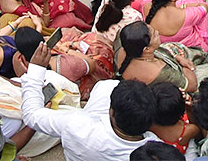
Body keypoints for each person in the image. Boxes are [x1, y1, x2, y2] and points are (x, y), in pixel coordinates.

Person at [22, 41, 158, 161]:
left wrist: (36, 70)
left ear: (111, 112)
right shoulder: (156, 151)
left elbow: (32, 115)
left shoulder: (77, 125)